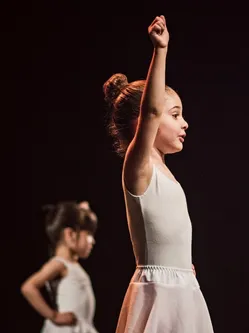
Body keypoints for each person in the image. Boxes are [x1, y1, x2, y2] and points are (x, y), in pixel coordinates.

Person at [102, 15, 213, 333]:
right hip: (158, 289)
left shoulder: (165, 171)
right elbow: (151, 111)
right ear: (142, 121)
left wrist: (182, 266)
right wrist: (160, 50)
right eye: (175, 114)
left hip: (181, 285)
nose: (185, 123)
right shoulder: (139, 167)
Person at [21, 201, 98, 333]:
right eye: (89, 234)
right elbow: (29, 287)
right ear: (71, 234)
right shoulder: (59, 264)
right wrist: (54, 316)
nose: (93, 241)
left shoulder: (73, 265)